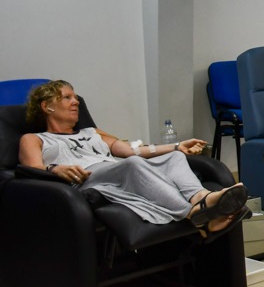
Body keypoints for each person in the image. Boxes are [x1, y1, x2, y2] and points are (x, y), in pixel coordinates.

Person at [18, 80, 248, 236]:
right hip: (87, 180)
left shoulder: (92, 132)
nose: (76, 101)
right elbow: (31, 169)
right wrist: (55, 169)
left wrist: (178, 146)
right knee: (133, 165)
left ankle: (203, 198)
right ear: (47, 106)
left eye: (75, 97)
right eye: (67, 97)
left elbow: (131, 150)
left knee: (174, 158)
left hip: (119, 170)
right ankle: (193, 213)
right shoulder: (35, 138)